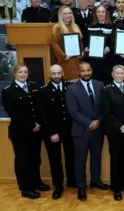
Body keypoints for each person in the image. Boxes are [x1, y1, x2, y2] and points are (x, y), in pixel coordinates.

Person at [66, 62, 110, 201]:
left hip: (98, 129)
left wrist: (98, 121)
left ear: (92, 71)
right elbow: (73, 111)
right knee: (80, 160)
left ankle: (95, 181)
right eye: (83, 71)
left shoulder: (100, 85)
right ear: (78, 73)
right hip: (81, 130)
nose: (86, 73)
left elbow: (105, 107)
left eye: (88, 70)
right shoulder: (71, 89)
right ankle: (81, 186)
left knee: (96, 157)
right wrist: (89, 123)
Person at [2, 64, 47, 199]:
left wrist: (38, 124)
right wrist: (31, 125)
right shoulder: (8, 91)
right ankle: (26, 188)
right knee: (23, 160)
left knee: (35, 158)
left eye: (25, 72)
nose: (23, 74)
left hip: (36, 130)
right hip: (20, 132)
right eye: (20, 72)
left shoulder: (33, 87)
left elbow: (38, 107)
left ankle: (36, 182)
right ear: (15, 74)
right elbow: (14, 113)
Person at [37, 65, 76, 199]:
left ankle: (72, 181)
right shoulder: (43, 91)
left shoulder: (69, 87)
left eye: (59, 73)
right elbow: (43, 115)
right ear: (49, 75)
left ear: (63, 73)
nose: (57, 76)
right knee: (55, 159)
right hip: (52, 132)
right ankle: (58, 186)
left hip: (69, 130)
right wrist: (52, 132)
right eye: (54, 74)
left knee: (71, 156)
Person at [101, 65, 124, 201]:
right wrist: (121, 127)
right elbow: (106, 112)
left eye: (122, 73)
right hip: (115, 131)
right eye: (117, 73)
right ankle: (116, 188)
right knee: (115, 159)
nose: (120, 75)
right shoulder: (107, 90)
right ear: (112, 74)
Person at [51, 6, 84, 80]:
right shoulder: (57, 27)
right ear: (61, 16)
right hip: (66, 60)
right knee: (70, 80)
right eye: (65, 14)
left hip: (77, 60)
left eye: (69, 13)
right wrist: (63, 56)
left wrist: (82, 52)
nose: (68, 15)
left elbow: (80, 42)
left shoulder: (76, 26)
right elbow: (54, 44)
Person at [84, 5, 114, 84]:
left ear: (106, 13)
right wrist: (86, 47)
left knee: (107, 80)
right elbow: (85, 40)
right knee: (95, 80)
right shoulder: (90, 26)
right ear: (95, 14)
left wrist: (109, 48)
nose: (101, 14)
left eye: (103, 12)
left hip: (107, 60)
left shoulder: (111, 27)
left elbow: (114, 41)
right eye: (98, 12)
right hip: (94, 60)